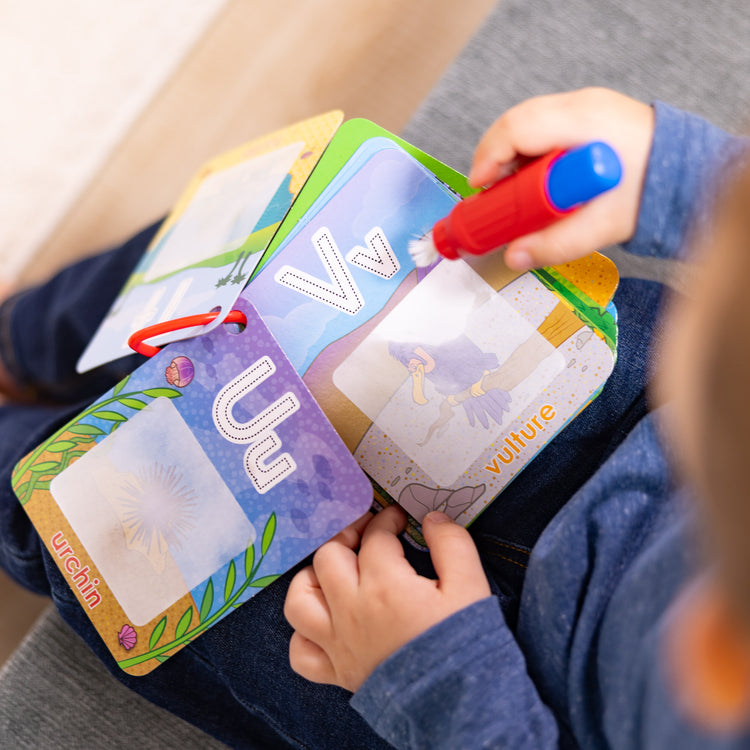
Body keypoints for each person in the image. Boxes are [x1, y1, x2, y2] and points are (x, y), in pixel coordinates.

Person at [0, 87, 747, 748]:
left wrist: (438, 682)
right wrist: (677, 174)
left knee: (111, 537)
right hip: (656, 413)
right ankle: (26, 337)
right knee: (279, 228)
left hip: (505, 702)